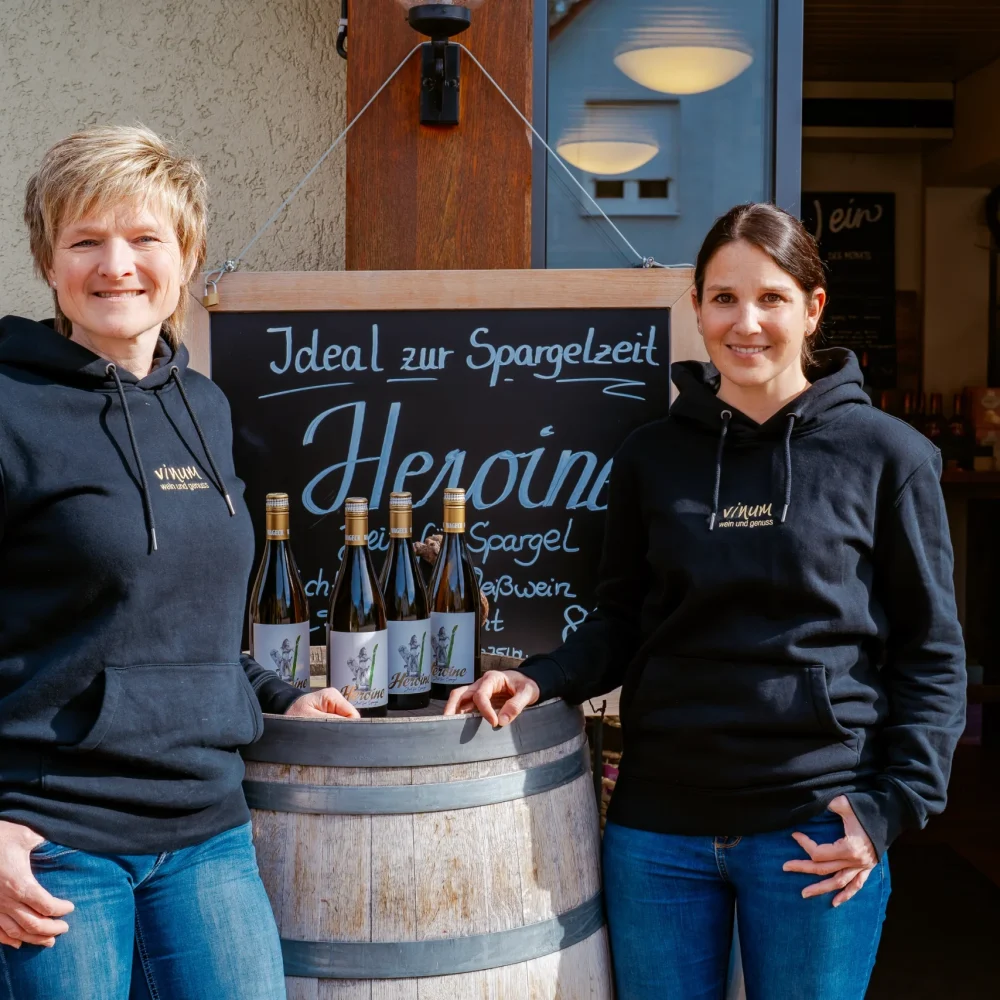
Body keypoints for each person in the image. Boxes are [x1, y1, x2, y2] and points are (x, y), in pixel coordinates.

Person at [445, 203, 966, 999]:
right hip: (659, 831)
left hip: (814, 826)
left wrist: (892, 807)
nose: (745, 322)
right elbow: (618, 618)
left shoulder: (889, 457)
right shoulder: (652, 456)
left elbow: (933, 651)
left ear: (813, 308)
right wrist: (539, 678)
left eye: (771, 298)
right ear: (695, 309)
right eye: (723, 298)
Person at [0, 126, 360, 1000]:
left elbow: (180, 615)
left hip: (207, 828)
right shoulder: (9, 405)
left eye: (144, 238)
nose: (115, 264)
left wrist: (276, 693)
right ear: (50, 262)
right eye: (85, 240)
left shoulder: (202, 405)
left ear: (187, 254)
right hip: (55, 837)